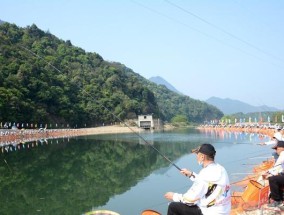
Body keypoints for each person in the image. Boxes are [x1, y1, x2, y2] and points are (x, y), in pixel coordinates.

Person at [164, 143, 231, 215]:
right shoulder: (221, 169)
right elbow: (208, 182)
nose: (196, 157)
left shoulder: (204, 174)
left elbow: (191, 199)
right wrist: (191, 174)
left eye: (197, 154)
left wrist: (174, 196)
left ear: (202, 157)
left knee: (173, 206)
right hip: (224, 211)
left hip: (210, 212)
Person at [262, 140, 284, 208]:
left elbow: (277, 166)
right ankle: (281, 198)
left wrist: (268, 172)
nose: (276, 151)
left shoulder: (283, 153)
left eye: (276, 149)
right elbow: (278, 167)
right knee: (277, 178)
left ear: (281, 148)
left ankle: (277, 201)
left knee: (272, 179)